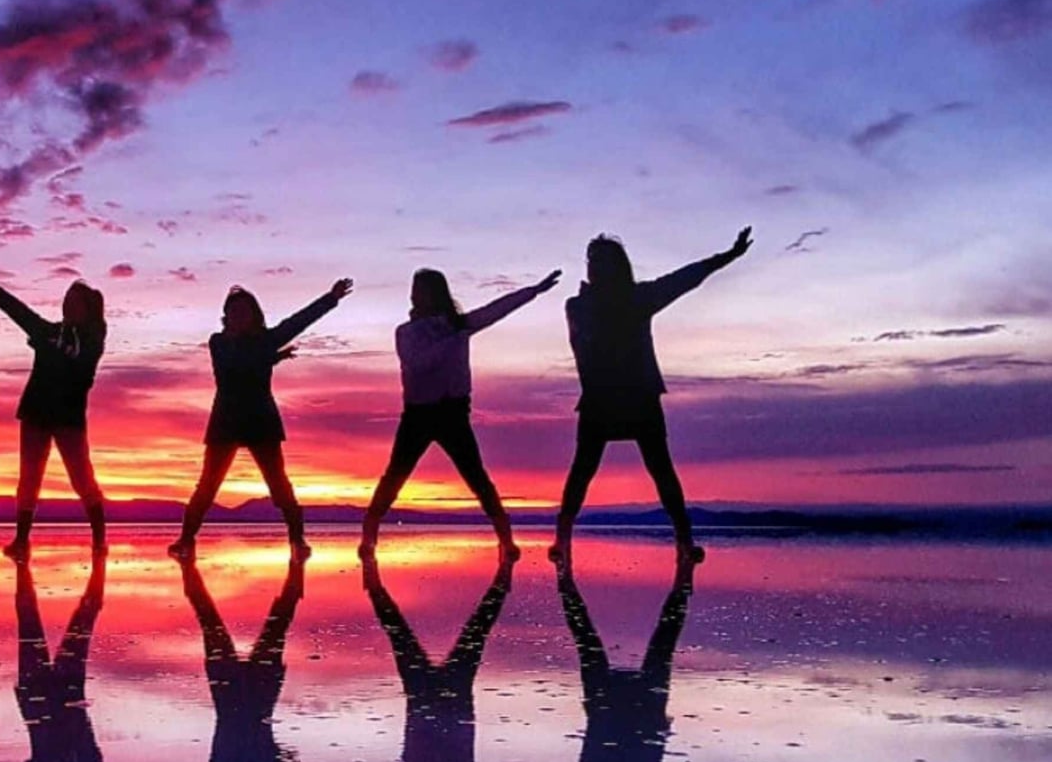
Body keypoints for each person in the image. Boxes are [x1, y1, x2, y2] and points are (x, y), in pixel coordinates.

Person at [552, 229, 752, 565]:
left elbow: (685, 278)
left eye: (603, 260)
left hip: (639, 396)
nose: (595, 267)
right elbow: (584, 345)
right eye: (592, 260)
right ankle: (562, 539)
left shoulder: (638, 298)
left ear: (619, 265)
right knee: (583, 471)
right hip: (600, 399)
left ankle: (685, 541)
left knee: (660, 469)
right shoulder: (578, 306)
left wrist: (728, 256)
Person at [555, 553, 759, 762]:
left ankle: (567, 579)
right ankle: (568, 579)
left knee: (634, 640)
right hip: (630, 713)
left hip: (620, 712)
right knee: (620, 640)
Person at [363, 554, 567, 762]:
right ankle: (373, 581)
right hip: (431, 698)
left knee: (470, 631)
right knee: (404, 633)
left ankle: (502, 576)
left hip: (442, 699)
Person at [359, 268, 561, 560]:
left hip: (453, 413)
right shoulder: (407, 332)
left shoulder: (458, 324)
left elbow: (496, 310)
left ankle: (505, 539)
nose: (416, 294)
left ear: (437, 293)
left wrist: (533, 291)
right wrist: (453, 339)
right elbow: (417, 364)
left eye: (423, 289)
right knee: (395, 476)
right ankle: (369, 537)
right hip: (418, 414)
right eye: (415, 289)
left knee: (476, 477)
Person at [169, 279, 353, 560]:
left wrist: (330, 298)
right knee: (207, 486)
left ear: (255, 315)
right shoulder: (219, 342)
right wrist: (271, 357)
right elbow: (236, 367)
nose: (239, 316)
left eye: (245, 311)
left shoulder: (265, 341)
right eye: (234, 311)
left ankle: (297, 541)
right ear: (226, 316)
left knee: (279, 485)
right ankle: (185, 540)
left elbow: (298, 322)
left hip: (260, 420)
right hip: (226, 422)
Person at [179, 555, 356, 762]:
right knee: (254, 621)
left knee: (220, 620)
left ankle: (189, 566)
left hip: (238, 688)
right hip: (249, 688)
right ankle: (296, 567)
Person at [0, 269, 107, 558]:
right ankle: (21, 541)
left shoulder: (93, 339)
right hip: (35, 412)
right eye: (66, 300)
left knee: (81, 478)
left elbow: (80, 365)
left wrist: (46, 346)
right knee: (29, 478)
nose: (68, 306)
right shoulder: (48, 332)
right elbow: (17, 310)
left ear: (87, 309)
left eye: (75, 302)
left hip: (69, 418)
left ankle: (99, 540)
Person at [0, 550, 107, 762]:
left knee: (41, 618)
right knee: (70, 619)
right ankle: (98, 556)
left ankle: (91, 558)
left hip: (42, 691)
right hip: (59, 693)